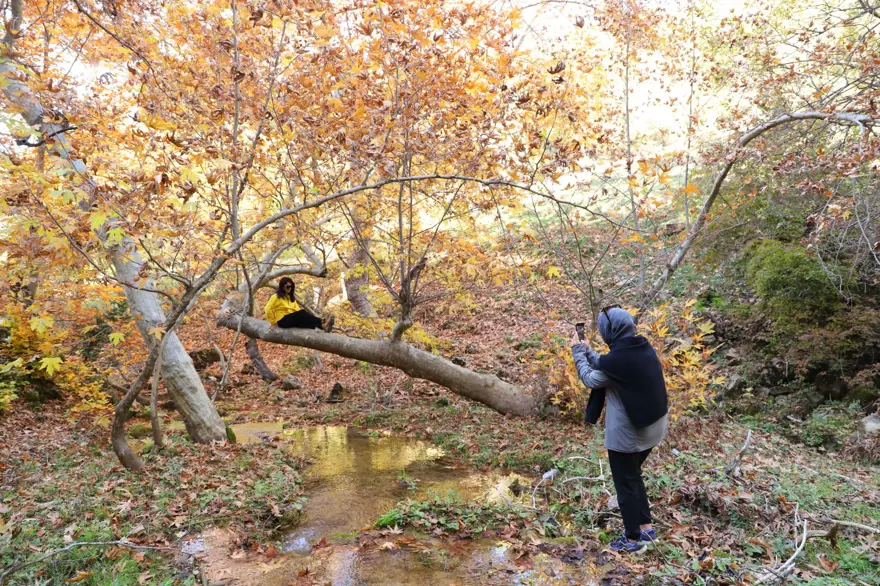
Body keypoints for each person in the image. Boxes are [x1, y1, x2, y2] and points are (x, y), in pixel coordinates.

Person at [571, 305, 668, 554]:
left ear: (609, 331)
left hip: (630, 434)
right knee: (633, 476)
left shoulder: (616, 365)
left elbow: (591, 378)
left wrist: (576, 352)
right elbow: (609, 362)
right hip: (654, 427)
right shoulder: (641, 347)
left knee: (625, 484)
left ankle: (633, 539)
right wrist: (589, 352)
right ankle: (647, 529)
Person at [264, 277, 335, 332]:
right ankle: (322, 322)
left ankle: (323, 326)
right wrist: (272, 323)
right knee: (302, 313)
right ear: (282, 286)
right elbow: (267, 309)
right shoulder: (276, 297)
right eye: (288, 287)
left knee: (304, 318)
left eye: (291, 287)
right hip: (282, 320)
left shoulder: (291, 297)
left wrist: (304, 316)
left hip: (291, 319)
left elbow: (297, 310)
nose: (290, 288)